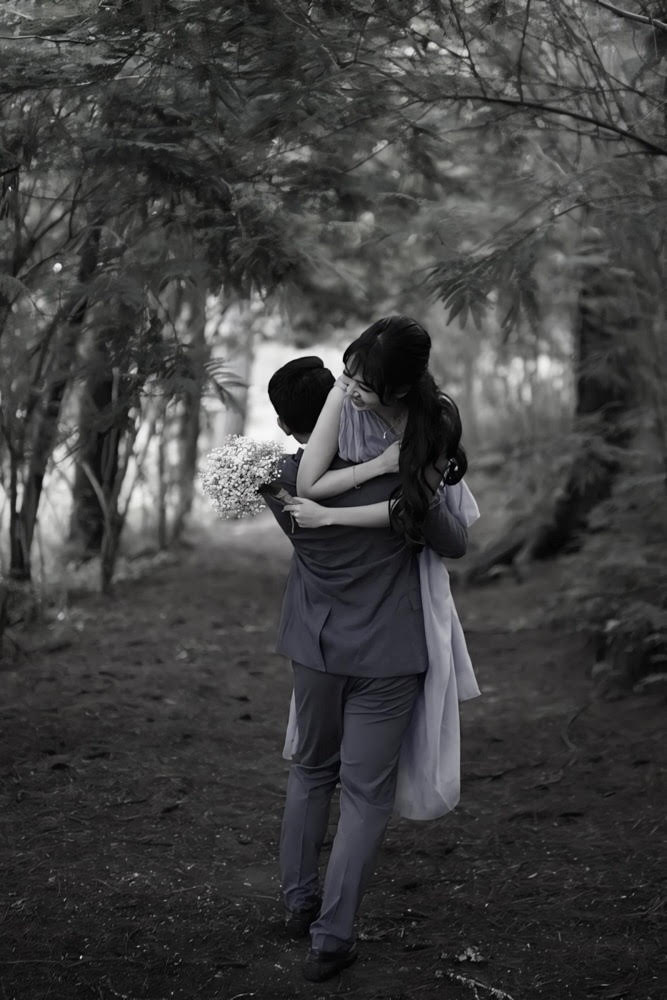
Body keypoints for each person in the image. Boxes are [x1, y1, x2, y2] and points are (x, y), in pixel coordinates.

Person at [263, 351, 470, 983]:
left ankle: (298, 902)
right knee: (364, 795)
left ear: (286, 424)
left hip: (316, 648)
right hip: (388, 652)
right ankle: (332, 938)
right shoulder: (404, 476)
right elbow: (454, 543)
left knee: (310, 771)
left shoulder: (279, 479)